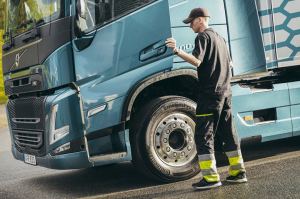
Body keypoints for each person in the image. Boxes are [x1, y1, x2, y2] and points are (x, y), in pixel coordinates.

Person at [166, 7, 247, 190]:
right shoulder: (220, 38)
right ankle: (238, 172)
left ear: (200, 20)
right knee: (228, 132)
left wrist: (176, 50)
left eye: (191, 22)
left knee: (203, 135)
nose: (190, 26)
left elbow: (196, 61)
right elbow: (230, 63)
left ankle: (211, 178)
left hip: (210, 95)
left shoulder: (202, 37)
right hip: (226, 93)